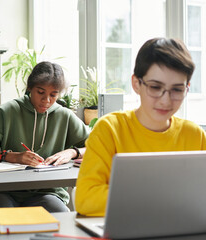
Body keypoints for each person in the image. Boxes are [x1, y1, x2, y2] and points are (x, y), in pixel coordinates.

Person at [75, 37, 206, 217]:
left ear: (187, 88)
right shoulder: (110, 129)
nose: (165, 100)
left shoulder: (195, 135)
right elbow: (85, 199)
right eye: (155, 87)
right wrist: (164, 201)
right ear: (136, 84)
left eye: (177, 89)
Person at [0, 61, 89, 216]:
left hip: (47, 192)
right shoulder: (4, 112)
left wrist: (72, 152)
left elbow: (94, 148)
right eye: (40, 92)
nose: (46, 100)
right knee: (4, 219)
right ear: (29, 88)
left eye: (53, 95)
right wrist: (14, 156)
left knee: (60, 217)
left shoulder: (64, 116)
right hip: (0, 190)